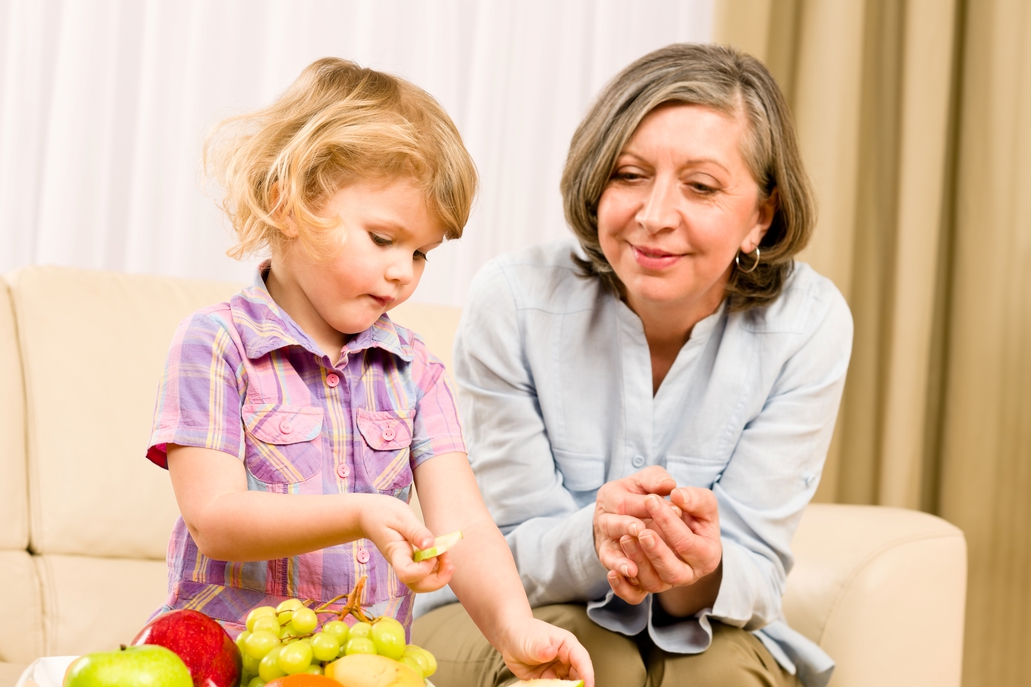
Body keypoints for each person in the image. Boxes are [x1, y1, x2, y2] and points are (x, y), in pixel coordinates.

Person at [413, 43, 853, 687]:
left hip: (705, 625)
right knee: (594, 665)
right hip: (504, 606)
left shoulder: (807, 321)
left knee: (719, 676)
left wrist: (696, 569)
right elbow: (500, 545)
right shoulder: (513, 298)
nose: (653, 216)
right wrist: (597, 538)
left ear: (761, 216)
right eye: (628, 174)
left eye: (700, 186)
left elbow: (756, 565)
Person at [144, 57, 593, 685]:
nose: (403, 271)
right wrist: (357, 512)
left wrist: (516, 627)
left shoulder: (417, 372)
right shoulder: (216, 343)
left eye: (421, 253)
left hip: (365, 671)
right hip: (226, 667)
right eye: (384, 239)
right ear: (288, 202)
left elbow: (462, 524)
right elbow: (214, 520)